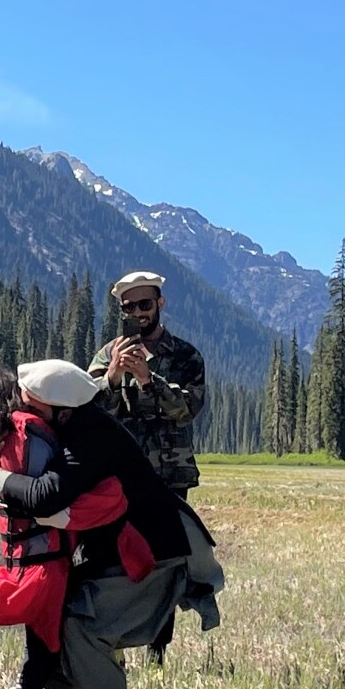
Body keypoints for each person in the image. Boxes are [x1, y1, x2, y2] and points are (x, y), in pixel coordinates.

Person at [0, 359, 223, 689]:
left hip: (151, 555)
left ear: (62, 411)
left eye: (32, 408)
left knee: (78, 625)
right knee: (54, 615)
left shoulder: (87, 440)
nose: (26, 413)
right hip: (120, 549)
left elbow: (44, 497)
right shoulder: (75, 428)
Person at [0, 364, 146, 689]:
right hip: (53, 563)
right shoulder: (40, 438)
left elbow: (43, 498)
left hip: (78, 560)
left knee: (60, 639)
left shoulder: (64, 440)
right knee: (48, 644)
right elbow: (42, 501)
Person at [88, 270, 207, 664]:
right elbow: (88, 414)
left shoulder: (186, 356)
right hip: (117, 480)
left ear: (160, 304)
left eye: (144, 304)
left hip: (168, 477)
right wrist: (113, 377)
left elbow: (187, 409)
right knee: (110, 561)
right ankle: (113, 647)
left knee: (166, 565)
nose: (138, 313)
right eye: (129, 307)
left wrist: (148, 380)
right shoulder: (107, 355)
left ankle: (158, 652)